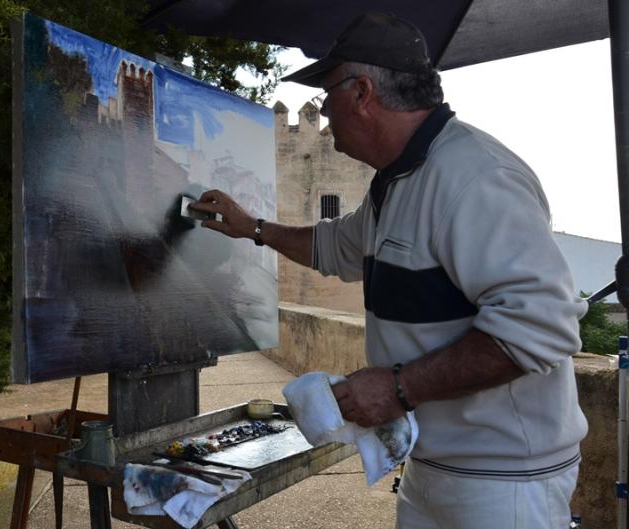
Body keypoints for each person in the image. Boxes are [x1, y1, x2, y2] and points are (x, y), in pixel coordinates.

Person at [188, 11, 588, 529]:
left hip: (503, 482)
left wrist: (398, 389)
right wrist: (254, 228)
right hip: (433, 466)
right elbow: (337, 247)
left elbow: (538, 329)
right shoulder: (395, 183)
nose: (324, 114)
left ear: (362, 93)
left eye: (327, 97)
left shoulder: (476, 176)